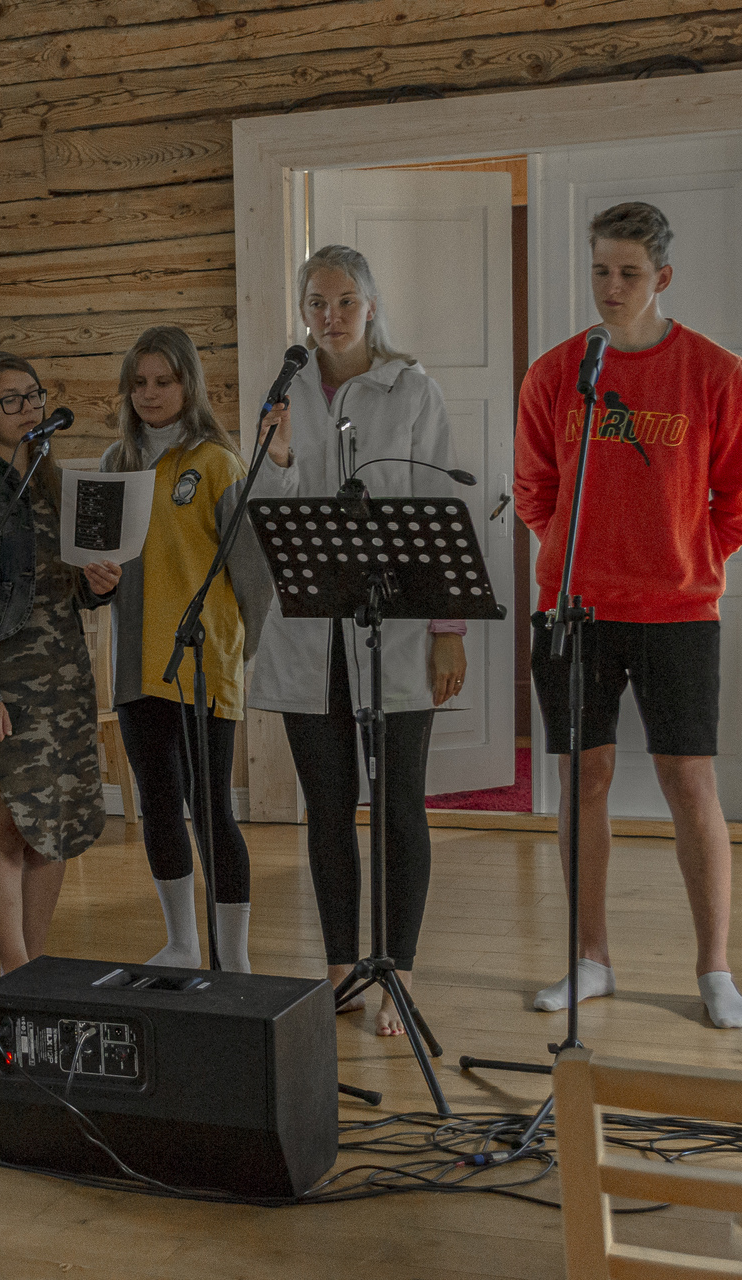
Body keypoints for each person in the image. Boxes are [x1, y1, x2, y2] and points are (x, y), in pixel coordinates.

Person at [514, 201, 742, 1029]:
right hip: (573, 610)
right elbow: (535, 490)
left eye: (628, 273)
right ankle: (591, 958)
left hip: (679, 610)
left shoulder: (717, 373)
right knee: (582, 778)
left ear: (663, 277)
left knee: (690, 781)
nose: (611, 287)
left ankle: (715, 967)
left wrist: (686, 556)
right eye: (600, 271)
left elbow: (741, 499)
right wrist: (578, 555)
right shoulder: (556, 373)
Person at [250, 245, 467, 1035]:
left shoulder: (412, 390)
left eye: (345, 301)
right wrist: (277, 459)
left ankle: (397, 974)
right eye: (317, 302)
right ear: (302, 311)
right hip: (310, 634)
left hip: (397, 632)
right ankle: (341, 970)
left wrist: (447, 630)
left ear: (371, 306)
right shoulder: (285, 392)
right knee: (328, 809)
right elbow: (266, 517)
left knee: (400, 807)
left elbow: (439, 506)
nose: (331, 316)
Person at [0, 352, 121, 974]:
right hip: (4, 680)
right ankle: (13, 972)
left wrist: (98, 584)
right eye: (10, 400)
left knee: (53, 825)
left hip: (65, 672)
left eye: (33, 395)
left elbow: (68, 588)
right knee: (8, 827)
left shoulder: (54, 482)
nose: (29, 409)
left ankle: (34, 967)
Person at [102, 325, 273, 973]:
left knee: (211, 810)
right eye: (139, 383)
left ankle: (234, 959)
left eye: (163, 382)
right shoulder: (114, 466)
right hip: (136, 667)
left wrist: (237, 657)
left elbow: (255, 579)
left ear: (189, 385)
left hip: (205, 668)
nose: (149, 394)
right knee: (158, 807)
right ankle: (182, 943)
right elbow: (98, 565)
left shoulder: (218, 464)